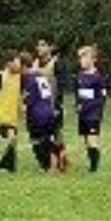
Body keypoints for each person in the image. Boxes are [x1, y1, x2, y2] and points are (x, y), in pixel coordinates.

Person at [32, 36, 69, 170]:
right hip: (39, 106)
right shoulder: (35, 63)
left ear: (50, 47)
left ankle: (60, 159)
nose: (39, 48)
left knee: (56, 132)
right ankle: (58, 158)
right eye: (38, 45)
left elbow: (61, 86)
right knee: (46, 134)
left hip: (53, 104)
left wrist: (58, 105)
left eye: (42, 44)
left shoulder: (57, 63)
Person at [23, 51, 61, 172]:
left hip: (37, 116)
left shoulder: (29, 79)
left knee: (38, 142)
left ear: (23, 66)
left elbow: (29, 101)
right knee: (46, 139)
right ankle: (59, 154)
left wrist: (23, 105)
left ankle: (49, 165)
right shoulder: (40, 76)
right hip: (49, 112)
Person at [74, 44, 109, 172]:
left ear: (93, 59)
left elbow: (101, 98)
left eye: (84, 58)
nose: (81, 61)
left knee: (92, 138)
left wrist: (91, 108)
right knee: (85, 139)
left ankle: (94, 167)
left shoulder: (98, 78)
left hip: (93, 114)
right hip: (82, 114)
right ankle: (91, 162)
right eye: (80, 58)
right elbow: (78, 94)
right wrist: (78, 105)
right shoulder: (79, 76)